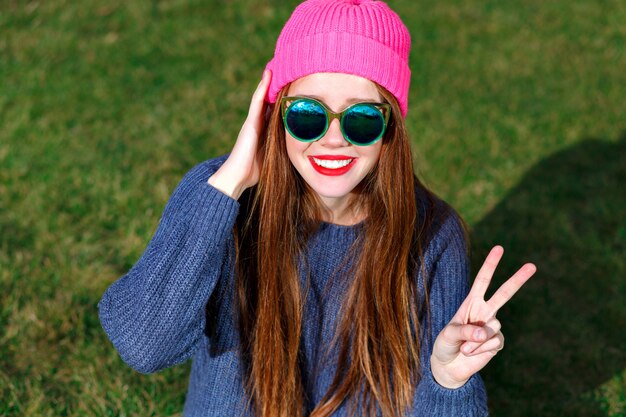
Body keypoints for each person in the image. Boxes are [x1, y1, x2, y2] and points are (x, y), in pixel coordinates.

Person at [98, 0, 537, 416]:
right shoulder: (220, 199)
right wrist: (227, 187)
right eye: (307, 114)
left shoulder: (432, 236)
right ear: (273, 115)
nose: (332, 138)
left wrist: (447, 380)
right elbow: (144, 346)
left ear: (390, 130)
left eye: (361, 118)